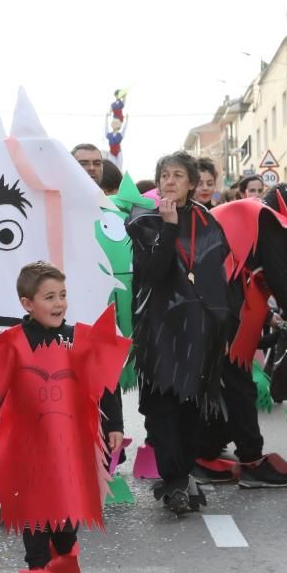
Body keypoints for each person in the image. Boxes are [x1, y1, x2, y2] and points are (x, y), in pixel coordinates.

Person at [0, 262, 129, 573]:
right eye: (50, 297)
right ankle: (38, 569)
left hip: (71, 443)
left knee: (66, 505)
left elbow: (106, 384)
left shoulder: (78, 340)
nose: (59, 304)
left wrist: (114, 425)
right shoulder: (12, 343)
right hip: (28, 442)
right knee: (34, 505)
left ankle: (66, 547)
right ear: (27, 304)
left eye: (63, 296)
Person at [126, 151, 235, 514]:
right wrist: (169, 226)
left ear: (191, 182)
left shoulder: (207, 222)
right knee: (162, 407)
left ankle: (184, 472)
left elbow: (218, 275)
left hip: (198, 330)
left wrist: (222, 322)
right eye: (164, 175)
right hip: (159, 329)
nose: (169, 181)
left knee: (191, 407)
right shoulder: (144, 220)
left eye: (177, 175)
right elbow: (154, 273)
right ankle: (173, 479)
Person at [196, 184, 287, 488]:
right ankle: (251, 461)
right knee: (239, 385)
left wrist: (268, 316)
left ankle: (202, 453)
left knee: (223, 384)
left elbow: (243, 272)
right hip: (223, 312)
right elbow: (282, 280)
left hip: (201, 305)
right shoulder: (269, 219)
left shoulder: (243, 211)